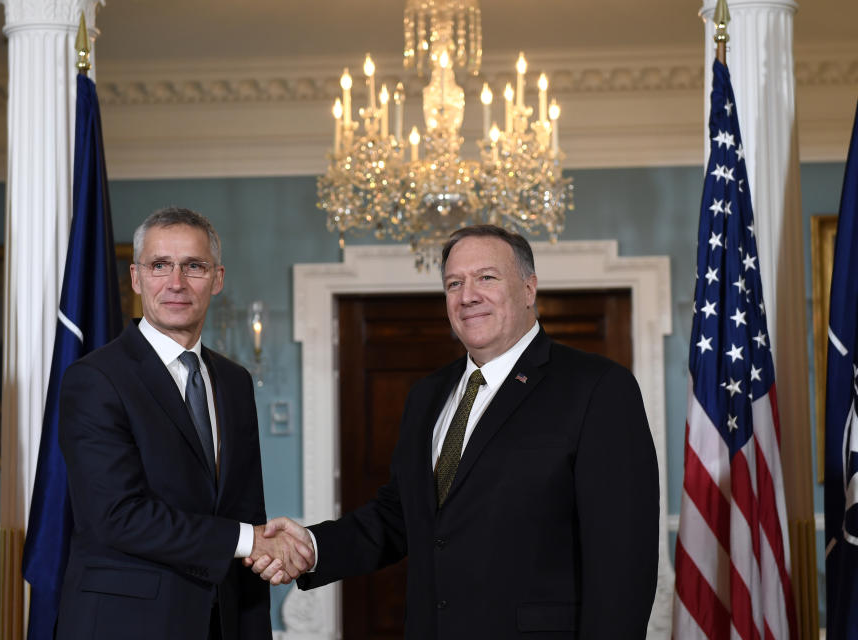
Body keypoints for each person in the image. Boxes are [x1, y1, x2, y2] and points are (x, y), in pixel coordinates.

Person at [251, 224, 659, 638]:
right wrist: (312, 547)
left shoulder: (597, 388)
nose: (468, 296)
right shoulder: (427, 394)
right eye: (454, 283)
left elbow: (623, 562)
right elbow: (399, 517)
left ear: (529, 288)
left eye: (486, 277)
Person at [55, 207, 312, 640]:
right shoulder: (96, 379)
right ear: (136, 278)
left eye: (193, 266)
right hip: (127, 625)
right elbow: (117, 516)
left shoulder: (234, 382)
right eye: (160, 266)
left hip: (225, 619)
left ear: (218, 278)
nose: (176, 283)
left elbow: (245, 508)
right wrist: (252, 541)